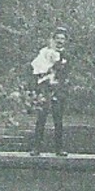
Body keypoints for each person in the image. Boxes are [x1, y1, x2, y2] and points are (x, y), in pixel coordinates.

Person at [29, 27, 70, 156]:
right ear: (53, 40)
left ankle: (59, 148)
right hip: (45, 88)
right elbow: (37, 70)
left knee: (58, 119)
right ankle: (36, 148)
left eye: (62, 39)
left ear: (65, 41)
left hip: (59, 89)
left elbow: (67, 72)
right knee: (41, 117)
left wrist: (60, 84)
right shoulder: (44, 53)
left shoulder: (67, 55)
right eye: (57, 38)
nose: (60, 41)